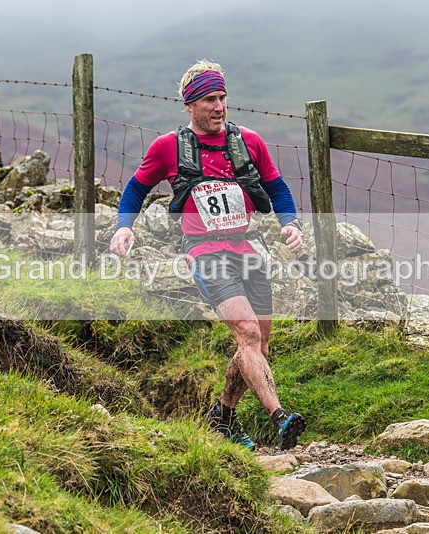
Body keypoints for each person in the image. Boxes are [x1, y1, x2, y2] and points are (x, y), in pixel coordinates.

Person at [109, 59, 306, 451]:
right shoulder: (168, 147)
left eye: (222, 98)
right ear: (190, 106)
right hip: (204, 251)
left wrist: (291, 223)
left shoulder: (248, 141)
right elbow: (135, 188)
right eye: (209, 100)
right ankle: (280, 416)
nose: (219, 107)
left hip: (248, 247)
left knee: (259, 347)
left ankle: (222, 415)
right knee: (248, 332)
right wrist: (124, 226)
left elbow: (277, 186)